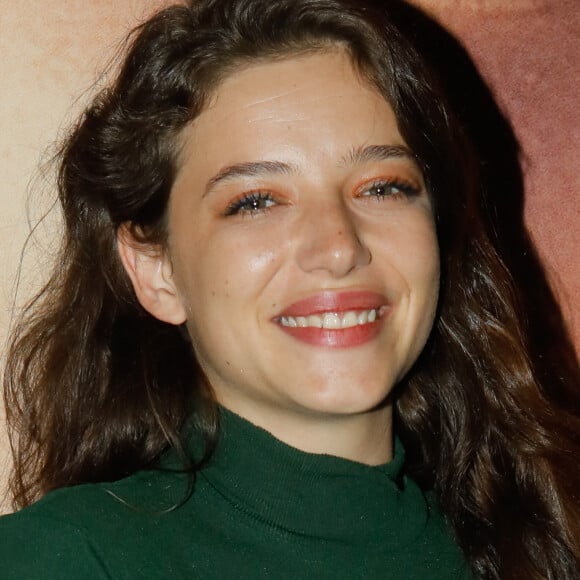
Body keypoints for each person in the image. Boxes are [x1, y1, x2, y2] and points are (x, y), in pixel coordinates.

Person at [1, 0, 578, 578]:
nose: (338, 246)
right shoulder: (63, 558)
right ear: (157, 270)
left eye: (382, 187)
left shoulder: (546, 539)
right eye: (256, 201)